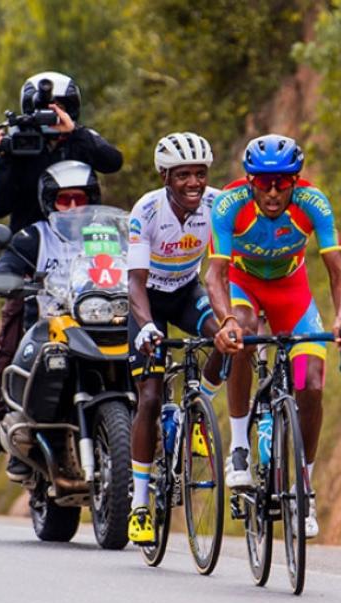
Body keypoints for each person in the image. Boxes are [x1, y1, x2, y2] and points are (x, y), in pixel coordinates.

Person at [206, 133, 341, 539]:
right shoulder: (229, 204)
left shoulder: (313, 203)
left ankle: (304, 486)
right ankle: (239, 446)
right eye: (263, 183)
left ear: (296, 180)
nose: (273, 192)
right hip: (243, 285)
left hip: (292, 291)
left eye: (282, 183)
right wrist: (226, 321)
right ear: (249, 180)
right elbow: (215, 274)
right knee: (242, 333)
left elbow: (339, 270)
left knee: (311, 384)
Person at [0, 71, 123, 452]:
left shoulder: (82, 140)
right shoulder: (15, 143)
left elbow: (113, 161)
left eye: (60, 108)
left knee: (121, 318)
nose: (51, 116)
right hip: (32, 253)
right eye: (44, 109)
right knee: (15, 331)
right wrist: (5, 156)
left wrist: (75, 134)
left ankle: (137, 406)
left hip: (86, 251)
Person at [125, 132, 225, 544]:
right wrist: (146, 325)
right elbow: (135, 282)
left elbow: (226, 267)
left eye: (200, 173)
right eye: (183, 175)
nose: (193, 183)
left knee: (227, 340)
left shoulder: (218, 205)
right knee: (149, 398)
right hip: (148, 301)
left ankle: (198, 411)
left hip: (186, 293)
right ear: (165, 176)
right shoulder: (146, 211)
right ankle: (140, 505)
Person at [0, 160, 102, 480]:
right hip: (49, 327)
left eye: (79, 198)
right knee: (26, 356)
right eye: (64, 199)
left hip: (101, 324)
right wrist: (7, 279)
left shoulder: (108, 235)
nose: (73, 207)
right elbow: (5, 265)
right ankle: (25, 440)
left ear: (92, 199)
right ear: (50, 202)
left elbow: (135, 262)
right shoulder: (35, 236)